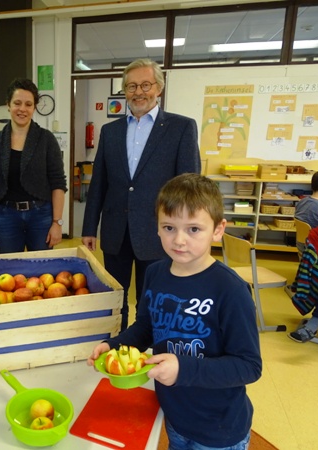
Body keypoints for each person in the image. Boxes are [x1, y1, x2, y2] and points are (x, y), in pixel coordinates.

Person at [88, 173, 262, 450]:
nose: (179, 240)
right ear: (156, 227)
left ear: (218, 229)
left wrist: (183, 369)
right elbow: (146, 326)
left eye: (194, 229)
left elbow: (249, 366)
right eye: (169, 227)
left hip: (218, 429)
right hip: (173, 416)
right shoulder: (156, 273)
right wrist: (114, 345)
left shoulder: (230, 290)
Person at [82, 58, 201, 330]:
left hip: (159, 232)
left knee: (153, 299)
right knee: (115, 296)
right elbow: (99, 182)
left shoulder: (181, 127)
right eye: (132, 86)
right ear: (125, 91)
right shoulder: (110, 131)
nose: (139, 92)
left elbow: (189, 186)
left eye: (145, 85)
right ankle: (117, 342)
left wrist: (187, 233)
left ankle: (148, 348)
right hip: (116, 231)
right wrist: (90, 228)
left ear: (158, 88)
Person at [0, 78, 67, 253]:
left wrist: (57, 223)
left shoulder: (46, 140)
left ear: (34, 108)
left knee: (42, 270)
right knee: (9, 272)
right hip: (6, 217)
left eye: (28, 104)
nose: (22, 109)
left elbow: (58, 184)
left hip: (41, 216)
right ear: (8, 105)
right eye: (17, 103)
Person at [289, 196, 318, 343]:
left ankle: (314, 324)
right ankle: (313, 325)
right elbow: (317, 262)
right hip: (317, 275)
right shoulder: (314, 234)